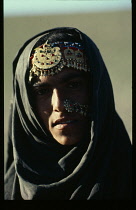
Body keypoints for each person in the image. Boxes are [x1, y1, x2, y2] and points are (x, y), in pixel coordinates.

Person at [4, 27, 132, 200]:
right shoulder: (10, 191)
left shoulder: (127, 179)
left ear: (97, 90)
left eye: (73, 85)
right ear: (26, 105)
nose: (60, 105)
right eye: (42, 91)